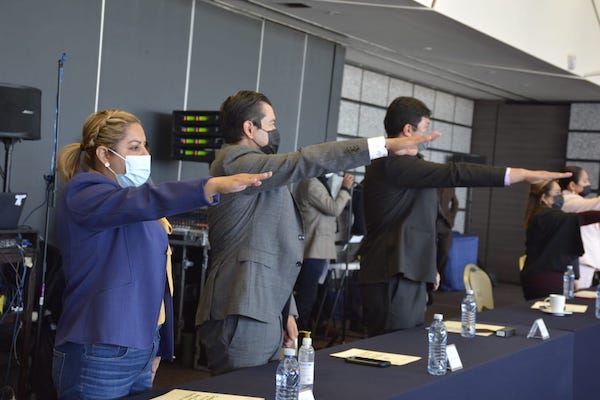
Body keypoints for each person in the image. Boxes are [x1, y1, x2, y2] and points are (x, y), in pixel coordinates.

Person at [194, 90, 440, 375]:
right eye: (271, 124)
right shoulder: (236, 162)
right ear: (250, 128)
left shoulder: (254, 169)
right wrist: (382, 146)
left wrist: (285, 311)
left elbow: (267, 249)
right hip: (242, 311)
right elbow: (305, 161)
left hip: (263, 309)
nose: (276, 131)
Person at [52, 109, 273, 399]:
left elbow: (159, 279)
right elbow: (144, 201)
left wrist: (159, 346)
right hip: (99, 347)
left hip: (140, 347)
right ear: (105, 154)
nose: (144, 153)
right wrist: (210, 185)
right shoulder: (85, 192)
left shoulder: (135, 199)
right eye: (134, 147)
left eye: (144, 145)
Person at [358, 96, 572, 337]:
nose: (428, 135)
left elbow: (420, 223)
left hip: (406, 272)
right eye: (425, 128)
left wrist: (428, 266)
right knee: (390, 347)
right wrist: (520, 174)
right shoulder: (393, 165)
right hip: (391, 275)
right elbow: (456, 173)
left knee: (405, 346)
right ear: (408, 130)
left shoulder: (407, 168)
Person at [293, 173, 355, 332]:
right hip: (314, 249)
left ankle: (315, 327)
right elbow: (333, 209)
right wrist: (345, 190)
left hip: (320, 248)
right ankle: (301, 333)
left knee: (319, 293)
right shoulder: (311, 183)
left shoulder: (315, 182)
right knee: (307, 294)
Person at [521, 180, 600, 300]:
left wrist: (573, 277)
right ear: (544, 198)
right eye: (557, 193)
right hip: (546, 279)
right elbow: (581, 218)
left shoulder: (543, 216)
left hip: (541, 277)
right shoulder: (546, 216)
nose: (561, 196)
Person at [559, 166, 600, 288]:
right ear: (572, 185)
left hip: (589, 263)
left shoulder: (578, 202)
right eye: (585, 181)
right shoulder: (566, 201)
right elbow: (595, 205)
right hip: (581, 264)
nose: (589, 184)